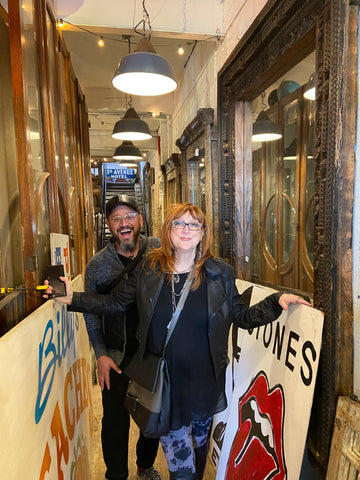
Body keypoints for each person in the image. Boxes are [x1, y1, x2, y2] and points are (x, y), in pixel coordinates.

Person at [45, 202, 311, 480]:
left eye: (193, 224)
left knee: (196, 466)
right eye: (178, 223)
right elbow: (114, 303)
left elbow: (241, 316)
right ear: (167, 230)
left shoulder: (220, 273)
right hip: (166, 388)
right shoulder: (150, 268)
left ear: (203, 232)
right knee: (181, 471)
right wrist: (72, 298)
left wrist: (276, 302)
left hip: (204, 387)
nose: (186, 229)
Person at [84, 194, 161, 480]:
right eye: (116, 218)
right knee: (114, 423)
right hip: (115, 356)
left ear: (140, 219)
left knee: (152, 418)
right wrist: (100, 353)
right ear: (109, 225)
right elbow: (91, 312)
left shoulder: (158, 249)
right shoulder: (97, 266)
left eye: (129, 216)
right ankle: (116, 474)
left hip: (153, 354)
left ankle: (145, 465)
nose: (124, 223)